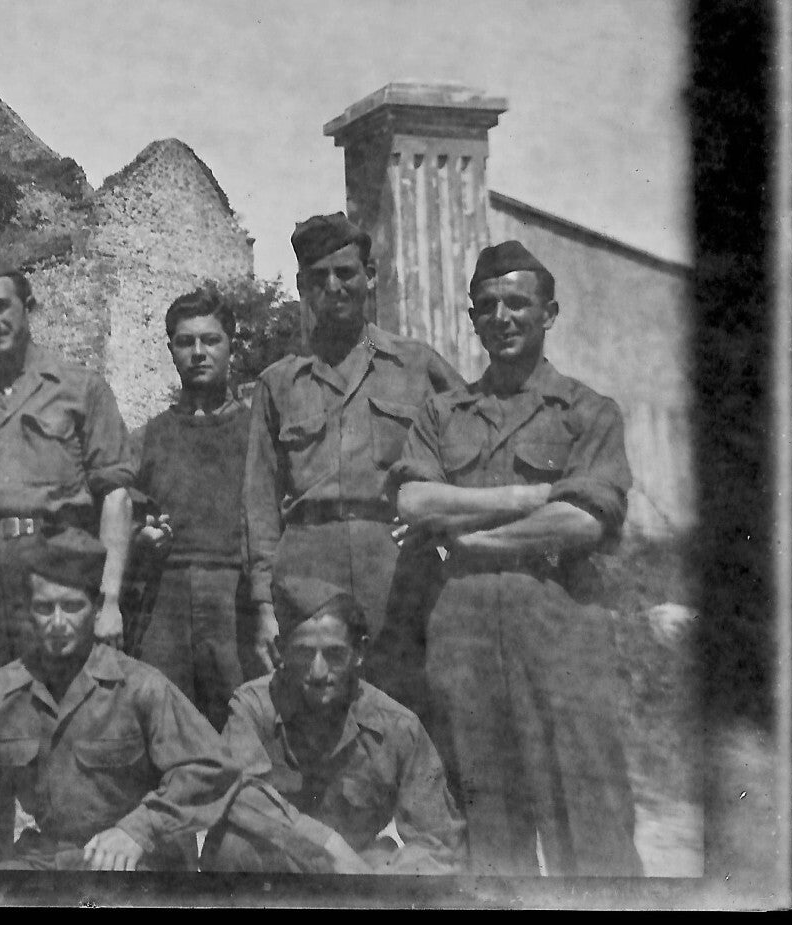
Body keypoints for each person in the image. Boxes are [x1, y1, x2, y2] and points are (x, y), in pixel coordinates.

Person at [389, 241, 643, 877]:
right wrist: (524, 496)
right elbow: (415, 498)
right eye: (488, 306)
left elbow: (583, 519)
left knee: (590, 822)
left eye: (518, 304)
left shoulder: (588, 411)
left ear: (549, 313)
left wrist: (469, 537)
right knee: (487, 828)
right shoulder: (441, 414)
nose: (502, 317)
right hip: (464, 642)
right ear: (472, 318)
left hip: (561, 636)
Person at [242, 213, 464, 712]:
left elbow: (474, 443)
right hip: (306, 567)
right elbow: (258, 501)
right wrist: (263, 604)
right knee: (313, 714)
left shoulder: (416, 365)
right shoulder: (278, 383)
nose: (334, 287)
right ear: (302, 287)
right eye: (319, 279)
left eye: (346, 273)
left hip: (395, 566)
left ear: (370, 277)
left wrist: (443, 522)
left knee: (406, 707)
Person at [0, 530, 236, 871]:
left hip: (138, 860)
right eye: (45, 608)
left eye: (72, 606)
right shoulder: (0, 694)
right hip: (51, 860)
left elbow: (214, 769)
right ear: (29, 612)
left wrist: (139, 829)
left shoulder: (140, 687)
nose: (58, 623)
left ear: (94, 609)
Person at [0, 251, 137, 725]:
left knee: (66, 726)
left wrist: (109, 600)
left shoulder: (81, 389)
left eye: (1, 305)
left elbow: (115, 495)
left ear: (28, 306)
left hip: (58, 575)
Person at [201, 576, 465, 874]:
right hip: (280, 865)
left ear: (360, 652)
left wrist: (381, 881)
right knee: (230, 848)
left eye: (335, 655)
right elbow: (234, 792)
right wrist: (327, 845)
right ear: (280, 651)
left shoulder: (398, 727)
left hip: (357, 869)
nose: (318, 671)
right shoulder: (254, 706)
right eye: (303, 653)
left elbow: (439, 843)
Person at [124, 286, 251, 732]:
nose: (198, 352)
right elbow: (121, 516)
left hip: (237, 601)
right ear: (171, 349)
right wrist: (141, 537)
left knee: (242, 730)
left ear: (231, 345)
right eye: (185, 342)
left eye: (210, 340)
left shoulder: (257, 430)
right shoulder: (147, 438)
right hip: (166, 602)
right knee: (165, 730)